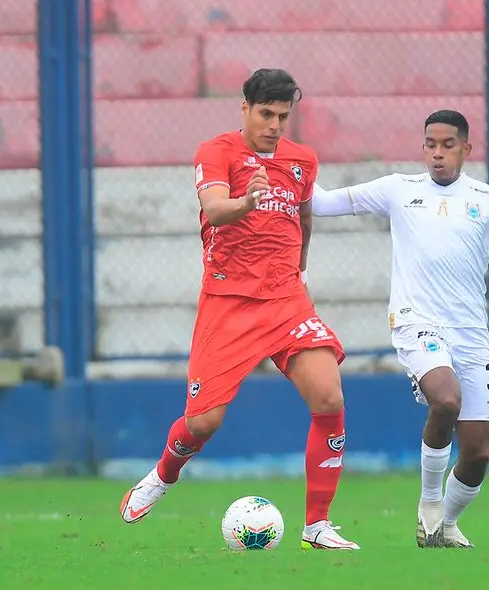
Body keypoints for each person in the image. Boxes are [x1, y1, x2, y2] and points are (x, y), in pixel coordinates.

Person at [118, 68, 359, 551]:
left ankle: (317, 525)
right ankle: (164, 474)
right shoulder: (217, 152)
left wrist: (302, 268)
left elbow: (304, 216)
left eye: (283, 116)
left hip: (287, 298)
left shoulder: (302, 160)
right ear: (244, 108)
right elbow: (213, 209)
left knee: (329, 398)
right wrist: (245, 201)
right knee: (204, 423)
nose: (274, 125)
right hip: (229, 303)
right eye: (265, 114)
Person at [311, 110, 489, 548]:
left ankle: (448, 522)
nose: (437, 154)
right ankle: (428, 505)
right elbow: (324, 203)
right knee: (445, 398)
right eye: (430, 145)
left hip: (471, 333)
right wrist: (285, 169)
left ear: (466, 148)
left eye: (447, 145)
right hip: (416, 321)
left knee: (478, 451)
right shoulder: (399, 189)